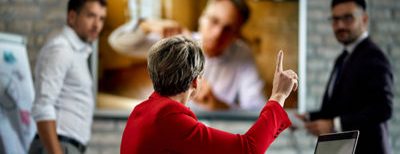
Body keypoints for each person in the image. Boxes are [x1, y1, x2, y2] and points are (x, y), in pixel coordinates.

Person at [120, 36, 298, 154]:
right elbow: (249, 149)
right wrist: (279, 95)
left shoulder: (141, 111)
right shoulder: (170, 119)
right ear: (196, 81)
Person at [108, 0, 266, 111]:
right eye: (214, 21)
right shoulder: (178, 42)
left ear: (236, 35)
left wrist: (218, 106)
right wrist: (147, 25)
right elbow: (117, 42)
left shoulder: (242, 55)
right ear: (202, 18)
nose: (217, 34)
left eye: (228, 29)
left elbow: (256, 110)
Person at [297, 0, 393, 153]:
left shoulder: (374, 56)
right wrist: (308, 118)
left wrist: (334, 124)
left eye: (348, 18)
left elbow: (383, 108)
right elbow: (339, 107)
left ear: (364, 19)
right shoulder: (343, 58)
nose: (340, 25)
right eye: (335, 19)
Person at [28, 0, 107, 154]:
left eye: (102, 18)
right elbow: (42, 106)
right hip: (57, 146)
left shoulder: (78, 52)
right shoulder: (61, 48)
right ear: (72, 17)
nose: (97, 25)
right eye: (91, 16)